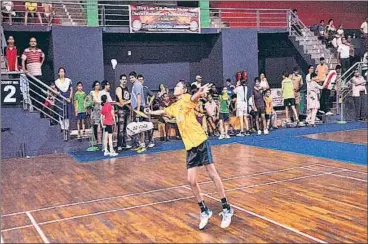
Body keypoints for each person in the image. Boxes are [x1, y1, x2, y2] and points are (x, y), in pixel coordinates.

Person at [147, 81, 234, 230]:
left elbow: (194, 98)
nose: (175, 88)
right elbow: (164, 111)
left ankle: (226, 208)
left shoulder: (187, 98)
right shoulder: (175, 106)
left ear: (184, 90)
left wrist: (200, 92)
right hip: (190, 147)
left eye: (178, 86)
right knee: (191, 180)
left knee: (212, 174)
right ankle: (204, 210)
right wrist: (150, 112)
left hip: (200, 141)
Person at [130, 71, 147, 152]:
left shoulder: (137, 85)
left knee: (140, 128)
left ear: (135, 77)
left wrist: (137, 110)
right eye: (130, 78)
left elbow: (139, 97)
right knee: (139, 128)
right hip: (137, 108)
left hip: (138, 108)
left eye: (132, 77)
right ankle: (141, 145)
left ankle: (143, 145)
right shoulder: (136, 85)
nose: (131, 79)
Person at [116, 74, 132, 150]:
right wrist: (128, 101)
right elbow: (121, 101)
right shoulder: (119, 89)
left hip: (127, 110)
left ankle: (124, 144)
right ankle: (119, 145)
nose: (124, 80)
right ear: (120, 80)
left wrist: (130, 107)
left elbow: (126, 101)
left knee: (125, 128)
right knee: (121, 129)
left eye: (125, 79)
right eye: (123, 79)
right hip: (121, 111)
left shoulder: (126, 88)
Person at [55, 67, 73, 133]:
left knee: (67, 113)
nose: (62, 73)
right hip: (60, 98)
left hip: (67, 98)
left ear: (64, 73)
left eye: (63, 71)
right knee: (61, 112)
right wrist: (57, 93)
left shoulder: (68, 80)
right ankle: (62, 127)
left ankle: (67, 127)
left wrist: (70, 98)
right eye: (60, 72)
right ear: (58, 73)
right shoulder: (56, 82)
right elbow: (55, 91)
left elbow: (71, 90)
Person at [89, 81, 102, 145]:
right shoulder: (92, 92)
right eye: (96, 85)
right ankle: (95, 139)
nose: (98, 86)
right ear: (94, 86)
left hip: (101, 110)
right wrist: (93, 102)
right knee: (95, 125)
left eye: (98, 85)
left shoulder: (101, 92)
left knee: (101, 124)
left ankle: (100, 139)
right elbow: (90, 101)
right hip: (94, 110)